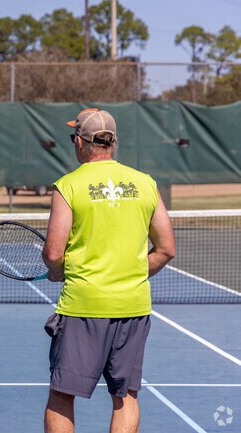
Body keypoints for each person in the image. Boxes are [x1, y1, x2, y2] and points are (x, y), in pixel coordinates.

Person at [41, 108, 175, 433]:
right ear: (112, 143)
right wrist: (130, 274)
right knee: (126, 395)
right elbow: (167, 248)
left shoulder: (68, 186)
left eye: (74, 136)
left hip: (83, 307)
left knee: (62, 394)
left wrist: (57, 271)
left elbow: (54, 253)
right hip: (133, 306)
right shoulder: (145, 183)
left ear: (82, 143)